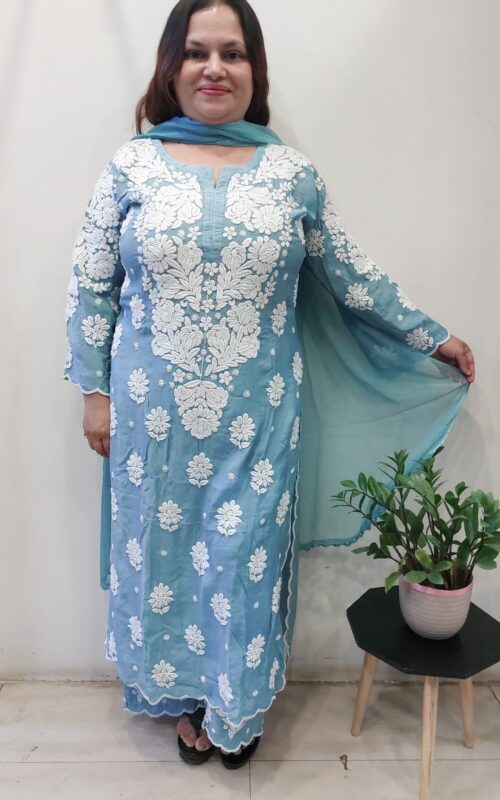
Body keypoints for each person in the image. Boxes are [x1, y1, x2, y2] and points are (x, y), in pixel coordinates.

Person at [64, 0, 475, 770]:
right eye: (197, 52)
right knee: (165, 557)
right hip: (153, 421)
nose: (214, 68)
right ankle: (186, 697)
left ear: (255, 70)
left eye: (233, 53)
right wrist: (94, 393)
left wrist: (431, 337)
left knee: (243, 561)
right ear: (171, 67)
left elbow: (350, 276)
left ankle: (236, 704)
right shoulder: (132, 167)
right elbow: (92, 284)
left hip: (260, 420)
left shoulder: (291, 174)